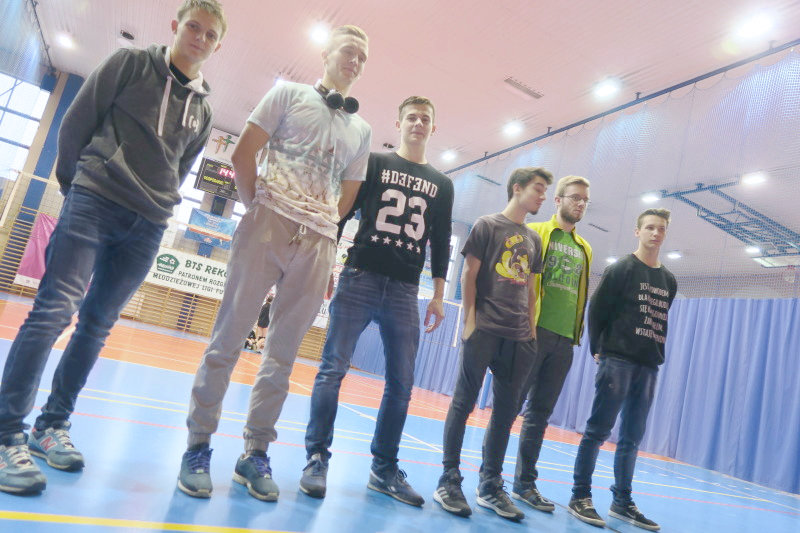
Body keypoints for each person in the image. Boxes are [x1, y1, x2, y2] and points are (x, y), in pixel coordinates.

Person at [0, 0, 225, 495]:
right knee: (54, 310)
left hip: (148, 224)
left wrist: (159, 205)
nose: (200, 38)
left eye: (211, 35)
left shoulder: (205, 110)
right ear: (176, 26)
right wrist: (76, 184)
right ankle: (5, 432)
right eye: (194, 27)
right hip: (95, 200)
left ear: (217, 45)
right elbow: (77, 121)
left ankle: (51, 425)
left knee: (97, 325)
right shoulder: (131, 64)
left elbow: (181, 168)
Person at [178, 25, 372, 503]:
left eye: (362, 58)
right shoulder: (287, 94)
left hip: (318, 241)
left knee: (282, 357)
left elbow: (347, 196)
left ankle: (256, 452)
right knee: (227, 339)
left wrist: (319, 225)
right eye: (349, 51)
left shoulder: (362, 130)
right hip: (267, 222)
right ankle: (198, 446)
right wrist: (257, 209)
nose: (355, 61)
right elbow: (244, 153)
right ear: (326, 53)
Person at [300, 96, 454, 506]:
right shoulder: (375, 163)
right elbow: (343, 213)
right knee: (332, 369)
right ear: (398, 123)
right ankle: (316, 458)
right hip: (360, 277)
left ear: (433, 127)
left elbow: (441, 241)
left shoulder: (443, 184)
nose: (418, 123)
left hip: (405, 290)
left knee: (402, 384)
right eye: (411, 117)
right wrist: (326, 264)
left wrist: (439, 294)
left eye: (425, 118)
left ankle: (383, 469)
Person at [433, 167, 551, 521]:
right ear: (517, 188)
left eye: (544, 191)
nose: (542, 196)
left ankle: (490, 485)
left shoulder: (534, 239)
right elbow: (469, 274)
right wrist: (470, 320)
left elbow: (531, 287)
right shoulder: (487, 225)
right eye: (538, 189)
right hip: (484, 329)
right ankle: (449, 480)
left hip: (519, 338)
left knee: (504, 414)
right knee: (463, 403)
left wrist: (531, 329)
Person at [568, 208, 677, 531]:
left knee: (632, 438)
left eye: (661, 229)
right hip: (617, 360)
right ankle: (580, 495)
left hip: (649, 366)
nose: (655, 233)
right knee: (597, 431)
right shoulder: (621, 269)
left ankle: (622, 501)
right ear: (637, 231)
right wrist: (598, 349)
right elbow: (598, 310)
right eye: (650, 227)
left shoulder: (669, 280)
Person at [512, 175, 593, 511]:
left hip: (564, 341)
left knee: (540, 414)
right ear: (558, 200)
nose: (580, 203)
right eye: (574, 197)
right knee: (509, 407)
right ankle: (490, 478)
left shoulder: (585, 248)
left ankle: (524, 484)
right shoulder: (536, 232)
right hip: (532, 333)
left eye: (584, 200)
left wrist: (575, 333)